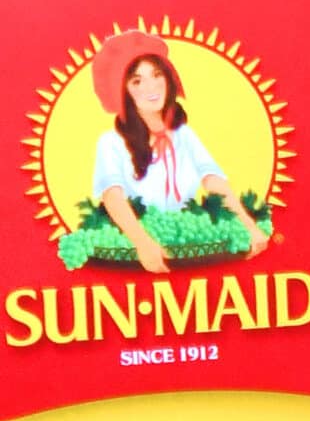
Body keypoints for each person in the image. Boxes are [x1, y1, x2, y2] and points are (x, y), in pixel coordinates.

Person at [88, 32, 268, 275]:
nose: (151, 88)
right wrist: (143, 243)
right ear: (123, 92)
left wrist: (249, 225)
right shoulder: (111, 142)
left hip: (186, 246)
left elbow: (213, 180)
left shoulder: (184, 135)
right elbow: (113, 197)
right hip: (137, 255)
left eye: (157, 75)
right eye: (137, 81)